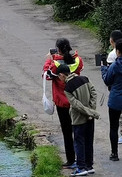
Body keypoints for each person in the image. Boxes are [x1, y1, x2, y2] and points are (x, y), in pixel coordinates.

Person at [43, 38, 84, 169]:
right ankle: (82, 159)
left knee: (67, 132)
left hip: (62, 102)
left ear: (58, 49)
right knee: (79, 131)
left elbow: (46, 75)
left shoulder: (55, 64)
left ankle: (71, 160)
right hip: (76, 100)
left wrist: (49, 59)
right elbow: (79, 68)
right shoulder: (78, 60)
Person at [57, 64, 99, 176]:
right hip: (90, 117)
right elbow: (94, 93)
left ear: (62, 75)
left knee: (79, 142)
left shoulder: (67, 88)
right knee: (89, 141)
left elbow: (75, 105)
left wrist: (88, 112)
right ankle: (89, 165)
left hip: (78, 119)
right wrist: (91, 110)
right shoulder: (84, 78)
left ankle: (81, 167)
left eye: (59, 77)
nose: (59, 79)